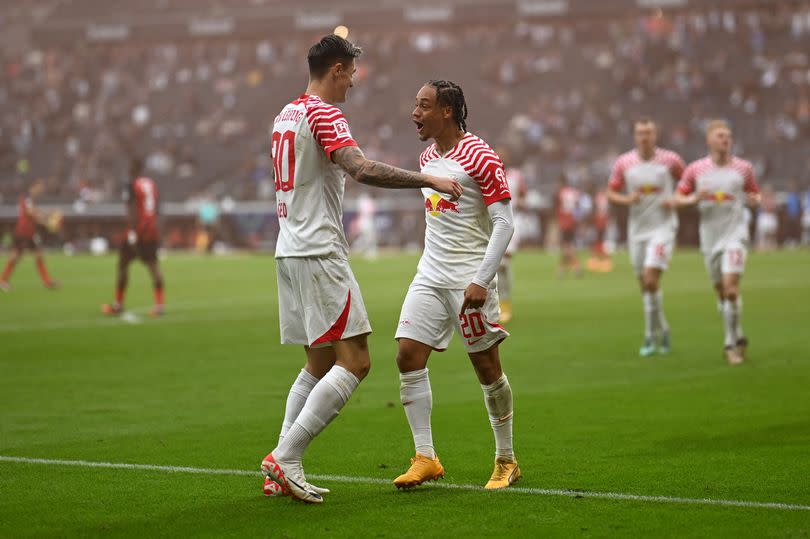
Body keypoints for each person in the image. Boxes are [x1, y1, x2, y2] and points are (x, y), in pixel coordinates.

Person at [260, 35, 462, 504]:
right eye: (350, 72)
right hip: (319, 252)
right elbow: (361, 168)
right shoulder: (325, 114)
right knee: (357, 362)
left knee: (318, 362)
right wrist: (427, 178)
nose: (353, 81)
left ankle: (281, 466)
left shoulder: (284, 114)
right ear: (335, 69)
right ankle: (284, 458)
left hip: (288, 249)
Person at [392, 80, 519, 491]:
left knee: (486, 369)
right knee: (408, 356)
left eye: (423, 105)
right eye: (415, 104)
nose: (415, 112)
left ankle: (506, 460)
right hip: (430, 275)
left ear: (447, 111)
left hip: (470, 282)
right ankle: (426, 457)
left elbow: (504, 222)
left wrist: (482, 279)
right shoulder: (428, 156)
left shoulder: (480, 154)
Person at [674, 120, 760, 365]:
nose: (725, 140)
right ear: (709, 141)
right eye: (720, 136)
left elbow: (755, 192)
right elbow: (678, 198)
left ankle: (729, 343)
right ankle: (739, 333)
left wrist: (755, 200)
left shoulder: (743, 168)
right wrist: (693, 198)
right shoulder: (695, 170)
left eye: (728, 136)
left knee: (731, 288)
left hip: (735, 234)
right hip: (710, 238)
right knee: (722, 293)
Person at [607, 118, 685, 356]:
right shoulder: (624, 162)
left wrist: (677, 199)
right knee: (645, 285)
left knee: (651, 280)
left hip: (663, 228)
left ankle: (650, 337)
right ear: (634, 135)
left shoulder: (671, 160)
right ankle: (664, 328)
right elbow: (611, 192)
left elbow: (687, 182)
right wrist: (626, 199)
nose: (644, 137)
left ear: (655, 135)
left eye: (648, 133)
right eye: (640, 133)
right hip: (637, 230)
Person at [101, 159, 165, 316]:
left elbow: (133, 209)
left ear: (132, 169)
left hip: (137, 231)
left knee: (122, 266)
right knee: (153, 268)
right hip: (151, 231)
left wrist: (133, 232)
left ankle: (118, 304)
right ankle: (159, 306)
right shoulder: (152, 184)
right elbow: (157, 209)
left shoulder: (132, 185)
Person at [0, 181, 59, 291]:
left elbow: (35, 212)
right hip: (23, 232)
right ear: (33, 187)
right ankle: (3, 280)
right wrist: (47, 221)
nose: (41, 190)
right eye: (39, 187)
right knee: (15, 256)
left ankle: (47, 281)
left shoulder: (31, 200)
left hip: (30, 233)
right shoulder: (27, 198)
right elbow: (32, 213)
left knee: (38, 255)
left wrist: (48, 216)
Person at [497, 165, 527, 322]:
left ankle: (505, 304)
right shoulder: (487, 171)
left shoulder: (516, 175)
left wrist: (518, 203)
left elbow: (523, 195)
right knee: (494, 265)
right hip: (493, 223)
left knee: (503, 264)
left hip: (512, 221)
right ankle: (495, 305)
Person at [555, 174, 582, 277]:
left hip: (564, 220)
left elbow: (558, 206)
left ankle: (576, 267)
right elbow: (578, 206)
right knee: (567, 245)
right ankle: (561, 269)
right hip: (572, 219)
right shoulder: (574, 192)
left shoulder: (561, 192)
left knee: (567, 247)